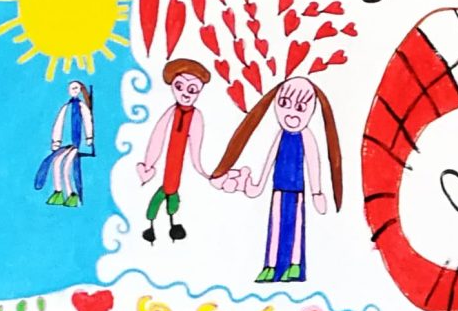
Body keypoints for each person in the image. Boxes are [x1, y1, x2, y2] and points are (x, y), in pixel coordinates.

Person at [211, 75, 344, 284]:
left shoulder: (306, 136)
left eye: (300, 107)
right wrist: (259, 184)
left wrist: (317, 192)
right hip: (278, 189)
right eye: (284, 103)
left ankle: (294, 265)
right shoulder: (280, 135)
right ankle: (271, 266)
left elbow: (313, 163)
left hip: (297, 191)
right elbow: (269, 161)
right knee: (275, 227)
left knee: (296, 227)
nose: (291, 113)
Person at [137, 58, 216, 243]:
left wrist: (202, 170)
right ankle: (152, 224)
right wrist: (149, 164)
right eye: (179, 87)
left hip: (179, 166)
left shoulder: (196, 116)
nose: (185, 93)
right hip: (165, 164)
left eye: (192, 89)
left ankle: (170, 223)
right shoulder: (171, 112)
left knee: (171, 191)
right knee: (164, 192)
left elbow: (196, 145)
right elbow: (158, 137)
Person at [36, 79, 95, 206]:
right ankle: (58, 191)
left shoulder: (81, 106)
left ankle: (71, 194)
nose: (73, 90)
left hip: (76, 142)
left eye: (76, 88)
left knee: (66, 166)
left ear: (80, 90)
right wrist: (56, 141)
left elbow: (87, 121)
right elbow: (58, 125)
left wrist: (89, 137)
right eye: (71, 88)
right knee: (56, 162)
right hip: (65, 142)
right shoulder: (66, 107)